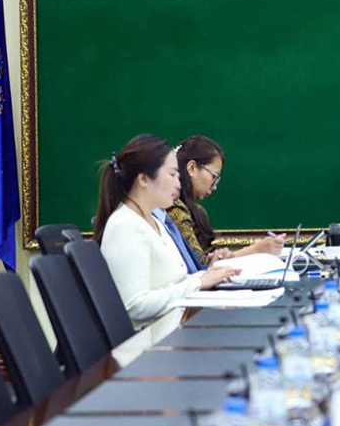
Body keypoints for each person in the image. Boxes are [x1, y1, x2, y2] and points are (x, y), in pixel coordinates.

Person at [94, 134, 238, 325]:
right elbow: (134, 307)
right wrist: (199, 282)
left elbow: (177, 282)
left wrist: (211, 273)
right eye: (172, 174)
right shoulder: (125, 226)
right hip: (152, 340)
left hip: (174, 329)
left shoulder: (155, 221)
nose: (178, 183)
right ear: (144, 179)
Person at [167, 135, 284, 266]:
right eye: (214, 177)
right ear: (192, 168)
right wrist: (255, 250)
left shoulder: (194, 210)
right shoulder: (175, 210)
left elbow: (208, 261)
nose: (215, 186)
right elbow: (201, 267)